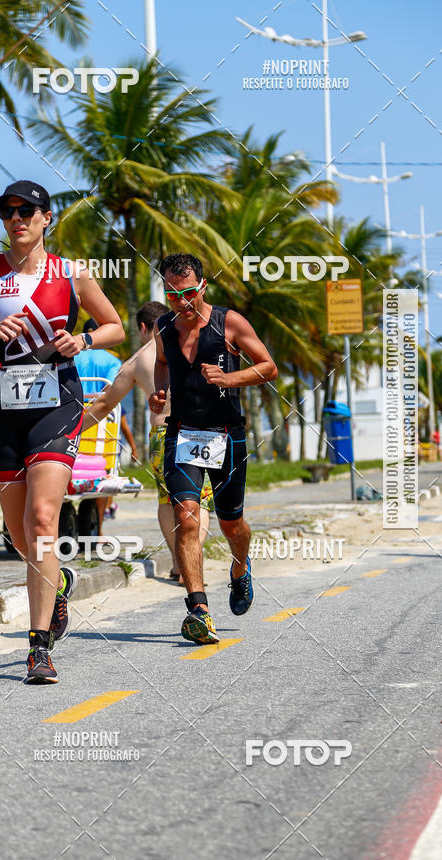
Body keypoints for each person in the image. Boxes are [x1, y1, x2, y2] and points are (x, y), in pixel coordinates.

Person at [0, 180, 124, 684]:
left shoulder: (70, 273)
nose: (16, 218)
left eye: (27, 211)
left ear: (48, 217)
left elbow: (115, 327)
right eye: (7, 211)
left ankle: (38, 648)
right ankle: (59, 581)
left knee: (45, 521)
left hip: (54, 409)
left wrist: (82, 337)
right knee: (21, 536)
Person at [149, 253, 277, 645]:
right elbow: (160, 362)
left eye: (188, 293)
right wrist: (159, 392)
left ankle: (240, 568)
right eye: (173, 295)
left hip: (227, 433)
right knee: (186, 518)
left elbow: (268, 367)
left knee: (231, 524)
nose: (182, 303)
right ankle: (198, 610)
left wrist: (228, 377)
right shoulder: (163, 326)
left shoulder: (229, 322)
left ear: (202, 287)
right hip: (183, 433)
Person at [83, 301, 215, 583]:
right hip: (200, 430)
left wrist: (71, 429)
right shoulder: (195, 345)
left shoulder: (139, 359)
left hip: (162, 435)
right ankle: (193, 563)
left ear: (145, 327)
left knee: (168, 501)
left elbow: (105, 403)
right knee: (200, 502)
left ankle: (181, 565)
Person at [74, 318, 137, 533]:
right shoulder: (112, 361)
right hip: (102, 425)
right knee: (102, 476)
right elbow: (111, 395)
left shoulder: (71, 357)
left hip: (72, 419)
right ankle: (98, 530)